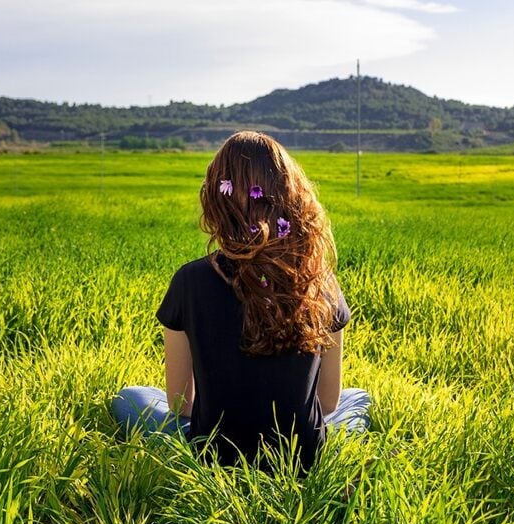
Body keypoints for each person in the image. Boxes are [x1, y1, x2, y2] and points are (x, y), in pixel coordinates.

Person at [111, 131, 371, 471]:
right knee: (358, 398)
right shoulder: (319, 281)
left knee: (130, 397)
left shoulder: (189, 280)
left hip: (214, 456)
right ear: (291, 198)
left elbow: (179, 403)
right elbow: (327, 400)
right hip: (302, 458)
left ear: (218, 200)